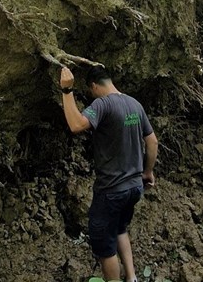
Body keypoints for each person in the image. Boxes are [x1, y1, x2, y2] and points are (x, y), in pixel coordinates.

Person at [59, 65, 158, 282]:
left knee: (105, 246)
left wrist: (67, 91)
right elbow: (152, 141)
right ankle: (132, 278)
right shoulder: (134, 104)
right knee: (120, 229)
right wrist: (148, 171)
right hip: (134, 187)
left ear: (94, 86)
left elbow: (76, 125)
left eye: (91, 90)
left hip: (111, 190)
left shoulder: (102, 104)